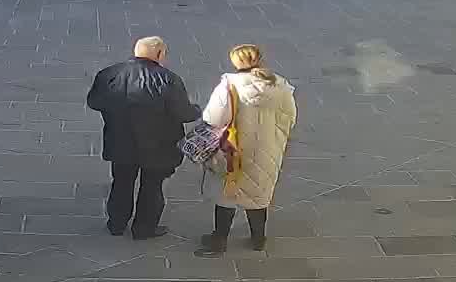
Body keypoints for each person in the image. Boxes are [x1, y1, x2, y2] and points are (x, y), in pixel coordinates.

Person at [85, 37, 199, 240]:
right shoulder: (169, 79)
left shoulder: (109, 74)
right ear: (160, 54)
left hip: (120, 140)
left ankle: (116, 224)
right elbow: (184, 114)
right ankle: (144, 229)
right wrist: (196, 110)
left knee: (121, 182)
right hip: (159, 145)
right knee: (152, 186)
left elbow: (94, 101)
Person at [194, 45, 298, 257]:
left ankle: (219, 239)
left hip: (233, 149)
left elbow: (213, 118)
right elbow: (290, 116)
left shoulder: (229, 85)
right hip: (267, 148)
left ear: (236, 62)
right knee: (258, 193)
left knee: (227, 194)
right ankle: (258, 239)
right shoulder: (280, 84)